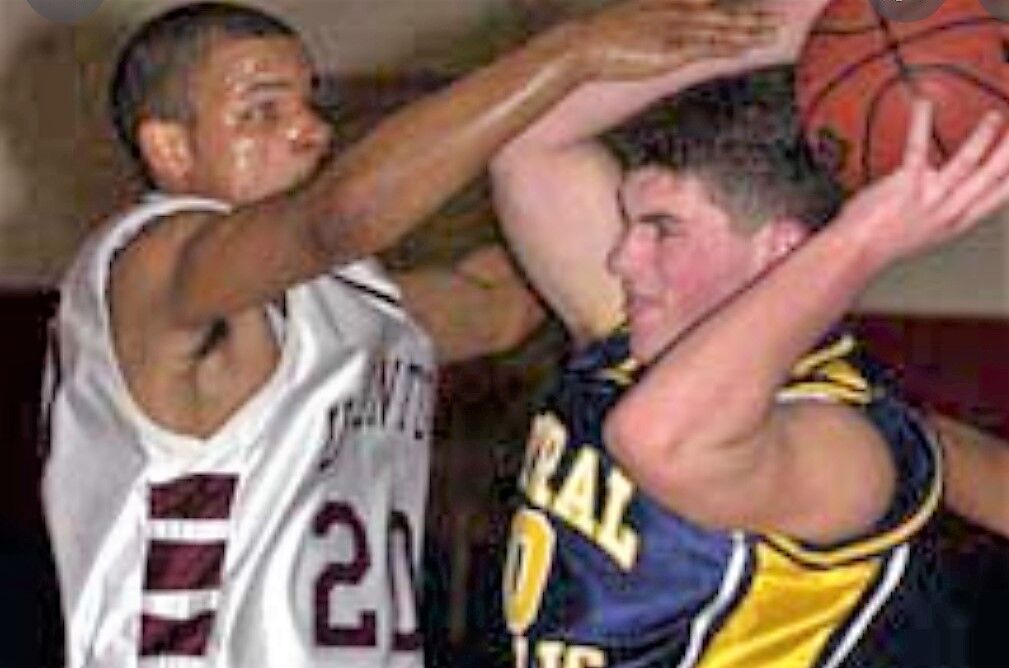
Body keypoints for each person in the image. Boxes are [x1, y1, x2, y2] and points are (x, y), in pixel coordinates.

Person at [39, 1, 781, 666]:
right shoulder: (149, 262)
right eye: (262, 112)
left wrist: (675, 195)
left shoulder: (344, 297)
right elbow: (341, 215)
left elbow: (500, 306)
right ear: (170, 148)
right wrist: (567, 55)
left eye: (309, 104)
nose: (309, 129)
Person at [489, 2, 1009, 663]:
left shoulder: (841, 439)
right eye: (629, 223)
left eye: (662, 230)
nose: (621, 258)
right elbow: (525, 139)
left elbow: (657, 440)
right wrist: (784, 29)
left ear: (781, 249)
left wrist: (863, 240)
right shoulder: (630, 339)